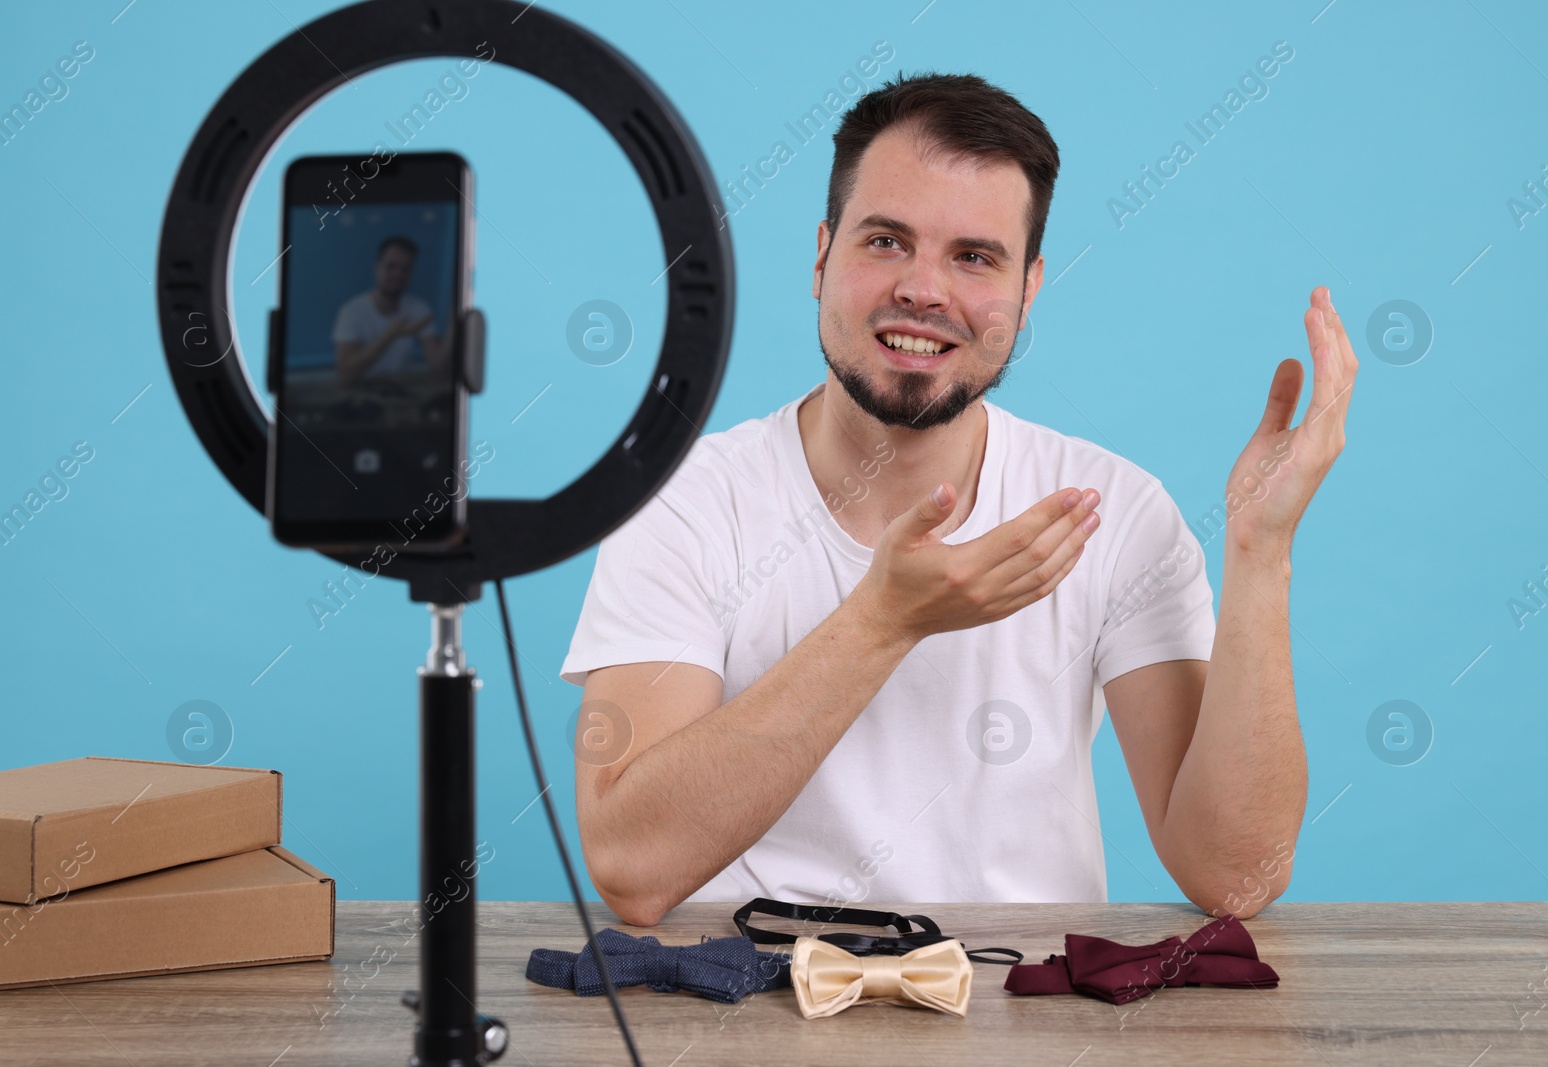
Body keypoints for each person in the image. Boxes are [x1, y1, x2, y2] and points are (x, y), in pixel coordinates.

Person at [560, 72, 1356, 926]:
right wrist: (884, 620)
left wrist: (1259, 554)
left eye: (974, 257)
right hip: (750, 1009)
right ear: (823, 256)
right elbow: (630, 867)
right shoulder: (686, 505)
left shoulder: (1112, 511)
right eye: (886, 242)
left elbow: (1234, 877)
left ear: (1028, 289)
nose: (924, 290)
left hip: (1026, 1017)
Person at [332, 235, 451, 384]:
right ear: (377, 268)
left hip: (402, 391)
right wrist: (392, 334)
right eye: (391, 266)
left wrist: (455, 318)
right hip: (360, 395)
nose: (398, 274)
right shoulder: (350, 311)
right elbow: (346, 374)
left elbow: (438, 368)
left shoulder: (419, 309)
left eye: (405, 269)